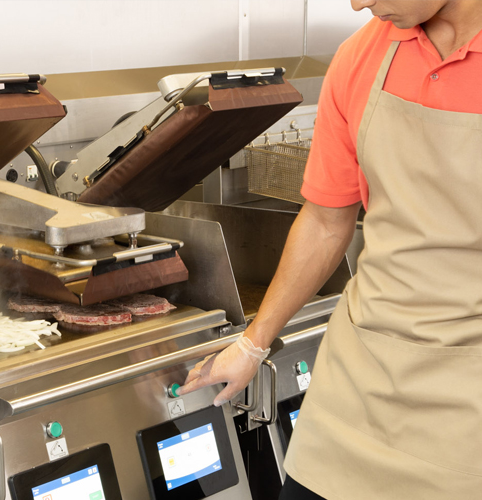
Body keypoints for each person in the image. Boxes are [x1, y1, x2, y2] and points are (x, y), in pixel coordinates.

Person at [177, 1, 482, 498]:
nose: (358, 3)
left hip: (468, 407)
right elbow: (323, 222)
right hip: (357, 385)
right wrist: (253, 343)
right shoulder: (362, 55)